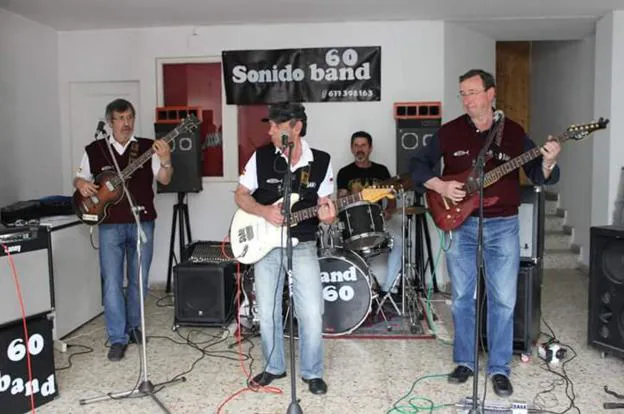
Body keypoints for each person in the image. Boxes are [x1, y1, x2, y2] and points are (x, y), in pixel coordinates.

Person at [410, 69, 561, 397]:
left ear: (491, 94)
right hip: (460, 223)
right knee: (463, 297)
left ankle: (499, 368)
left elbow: (538, 174)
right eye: (462, 93)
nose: (467, 99)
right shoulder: (448, 133)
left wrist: (548, 162)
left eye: (473, 92)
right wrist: (441, 184)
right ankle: (464, 361)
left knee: (504, 299)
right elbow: (417, 166)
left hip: (502, 224)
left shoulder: (515, 133)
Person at [234, 102, 336, 395]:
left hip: (302, 243)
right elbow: (241, 196)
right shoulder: (261, 157)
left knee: (312, 311)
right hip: (265, 245)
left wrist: (329, 215)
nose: (269, 131)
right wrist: (264, 211)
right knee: (266, 311)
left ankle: (312, 372)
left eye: (276, 127)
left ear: (296, 128)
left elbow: (324, 205)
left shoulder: (321, 160)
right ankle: (273, 367)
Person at [73, 98, 173, 361]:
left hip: (142, 222)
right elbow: (80, 177)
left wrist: (165, 160)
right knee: (113, 282)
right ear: (110, 122)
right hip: (108, 225)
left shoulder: (146, 148)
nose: (126, 123)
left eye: (130, 117)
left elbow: (164, 178)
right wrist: (81, 184)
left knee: (139, 279)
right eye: (120, 118)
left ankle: (134, 327)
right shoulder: (95, 149)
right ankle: (117, 337)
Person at [336, 131, 403, 296]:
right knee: (340, 246)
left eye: (363, 145)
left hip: (379, 222)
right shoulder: (345, 173)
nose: (360, 149)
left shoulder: (381, 170)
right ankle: (359, 291)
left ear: (370, 148)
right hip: (354, 224)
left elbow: (391, 196)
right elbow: (341, 201)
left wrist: (389, 210)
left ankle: (388, 288)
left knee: (399, 242)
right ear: (351, 148)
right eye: (356, 145)